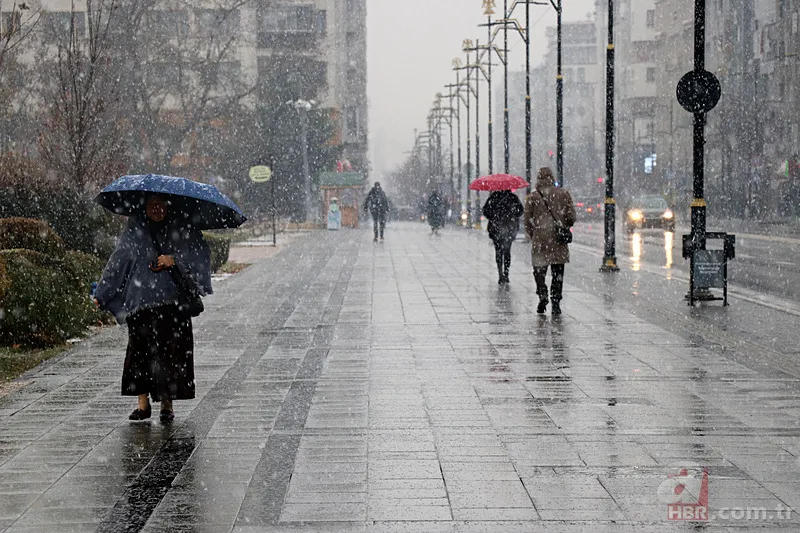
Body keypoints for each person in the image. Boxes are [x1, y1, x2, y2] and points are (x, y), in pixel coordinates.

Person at [95, 194, 212, 422]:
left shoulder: (182, 226)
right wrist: (102, 292)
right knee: (139, 352)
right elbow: (119, 260)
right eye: (151, 205)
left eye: (160, 205)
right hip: (141, 302)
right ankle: (142, 403)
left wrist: (175, 259)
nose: (156, 209)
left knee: (171, 354)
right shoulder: (135, 229)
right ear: (144, 207)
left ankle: (166, 404)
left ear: (168, 206)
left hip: (173, 304)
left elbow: (200, 254)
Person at [524, 167, 576, 315]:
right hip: (558, 241)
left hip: (540, 240)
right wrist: (563, 224)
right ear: (552, 178)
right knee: (557, 272)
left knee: (539, 270)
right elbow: (571, 217)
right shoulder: (563, 194)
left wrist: (534, 233)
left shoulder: (533, 197)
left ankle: (542, 294)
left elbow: (527, 220)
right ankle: (556, 301)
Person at [483, 189, 524, 284]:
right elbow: (520, 211)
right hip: (509, 228)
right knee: (507, 251)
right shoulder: (513, 197)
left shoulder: (493, 197)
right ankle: (506, 273)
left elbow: (485, 211)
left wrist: (494, 217)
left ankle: (500, 274)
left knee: (498, 251)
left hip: (496, 228)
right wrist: (512, 216)